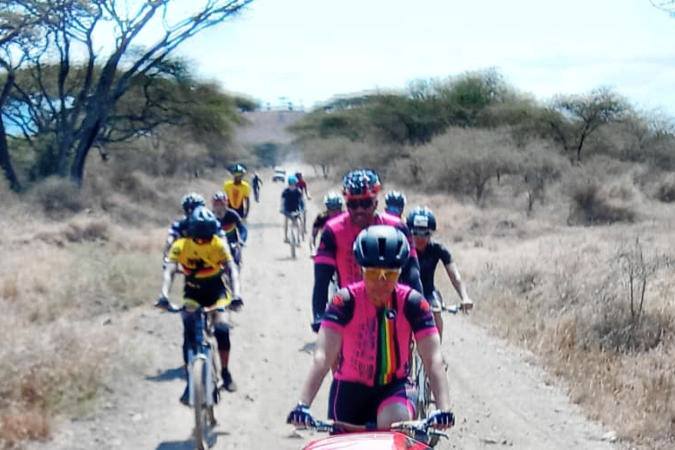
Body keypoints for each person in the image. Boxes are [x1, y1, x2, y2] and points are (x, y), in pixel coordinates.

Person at [287, 226, 454, 432]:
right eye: (373, 273)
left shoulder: (413, 303)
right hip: (349, 390)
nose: (381, 282)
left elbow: (433, 359)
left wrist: (443, 408)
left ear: (400, 272)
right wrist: (303, 404)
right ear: (361, 269)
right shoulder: (343, 301)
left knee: (393, 424)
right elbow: (323, 356)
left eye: (390, 275)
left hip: (395, 387)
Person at [311, 169, 423, 332]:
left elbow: (412, 273)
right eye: (353, 204)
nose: (359, 210)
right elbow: (322, 278)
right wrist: (319, 314)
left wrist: (419, 310)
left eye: (365, 203)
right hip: (349, 309)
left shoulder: (397, 227)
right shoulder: (332, 231)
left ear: (376, 203)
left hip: (392, 309)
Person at [156, 206, 243, 396]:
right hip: (193, 294)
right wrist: (164, 294)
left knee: (222, 329)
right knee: (188, 332)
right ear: (192, 231)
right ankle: (191, 380)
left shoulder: (219, 244)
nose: (204, 238)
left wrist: (236, 295)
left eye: (208, 233)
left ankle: (225, 372)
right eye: (199, 234)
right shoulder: (181, 246)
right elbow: (169, 271)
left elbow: (232, 269)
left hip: (217, 292)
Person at [406, 206, 472, 338]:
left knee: (436, 312)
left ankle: (435, 352)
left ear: (431, 233)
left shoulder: (438, 249)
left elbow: (455, 276)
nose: (420, 238)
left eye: (425, 233)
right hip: (407, 292)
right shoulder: (402, 248)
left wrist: (464, 297)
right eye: (416, 233)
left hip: (429, 292)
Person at [162, 192, 206, 264]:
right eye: (188, 209)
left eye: (194, 209)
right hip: (186, 257)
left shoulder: (209, 223)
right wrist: (166, 254)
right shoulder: (180, 224)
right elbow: (170, 239)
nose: (191, 212)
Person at [211, 192, 248, 267]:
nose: (219, 207)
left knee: (235, 256)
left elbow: (242, 229)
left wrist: (241, 240)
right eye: (216, 204)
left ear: (226, 204)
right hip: (216, 245)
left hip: (232, 243)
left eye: (221, 204)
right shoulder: (209, 217)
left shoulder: (232, 214)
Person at [281, 175, 305, 243]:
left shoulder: (298, 192)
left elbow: (301, 201)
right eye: (290, 184)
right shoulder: (285, 192)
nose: (291, 186)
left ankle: (299, 237)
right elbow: (282, 201)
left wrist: (302, 208)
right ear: (288, 184)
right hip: (287, 210)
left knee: (299, 223)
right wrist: (281, 208)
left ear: (295, 184)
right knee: (286, 222)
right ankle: (285, 237)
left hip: (296, 210)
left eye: (293, 184)